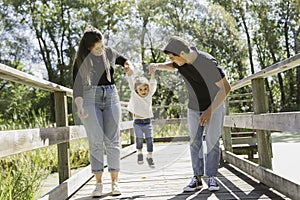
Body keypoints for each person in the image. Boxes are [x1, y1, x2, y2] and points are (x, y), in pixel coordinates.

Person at [149, 36, 231, 192]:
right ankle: (197, 178)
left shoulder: (207, 63)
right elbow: (173, 66)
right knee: (195, 142)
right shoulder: (182, 62)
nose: (172, 61)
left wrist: (209, 111)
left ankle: (212, 177)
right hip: (194, 107)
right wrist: (157, 66)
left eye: (173, 57)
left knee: (212, 142)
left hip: (214, 105)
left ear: (182, 53)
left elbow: (226, 88)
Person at [72, 27, 132, 197]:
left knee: (113, 140)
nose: (100, 50)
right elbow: (77, 88)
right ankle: (98, 184)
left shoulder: (109, 52)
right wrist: (80, 106)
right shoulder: (81, 60)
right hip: (90, 98)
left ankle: (115, 182)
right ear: (88, 48)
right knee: (96, 141)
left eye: (101, 45)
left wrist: (128, 65)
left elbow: (123, 60)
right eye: (96, 48)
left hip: (111, 96)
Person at [125, 67, 157, 168]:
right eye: (141, 89)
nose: (143, 91)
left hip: (147, 122)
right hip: (138, 122)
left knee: (149, 139)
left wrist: (152, 75)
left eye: (145, 89)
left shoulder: (149, 95)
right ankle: (139, 153)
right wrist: (129, 74)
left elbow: (152, 84)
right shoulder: (135, 95)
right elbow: (131, 84)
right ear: (137, 90)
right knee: (139, 138)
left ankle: (150, 156)